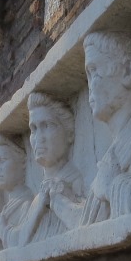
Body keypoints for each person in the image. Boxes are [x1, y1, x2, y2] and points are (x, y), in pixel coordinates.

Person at [70, 31, 131, 224]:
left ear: (128, 71)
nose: (90, 86)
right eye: (88, 75)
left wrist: (111, 185)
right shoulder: (112, 155)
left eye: (94, 71)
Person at [22, 92, 83, 244]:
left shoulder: (80, 184)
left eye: (47, 125)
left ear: (70, 133)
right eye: (33, 129)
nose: (38, 138)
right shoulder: (37, 199)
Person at [0, 132, 34, 252]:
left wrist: (3, 230)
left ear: (22, 162)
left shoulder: (28, 204)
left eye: (2, 160)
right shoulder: (7, 208)